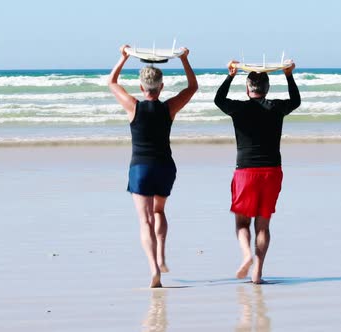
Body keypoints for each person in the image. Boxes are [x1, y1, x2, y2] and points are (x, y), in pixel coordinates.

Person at [108, 44, 198, 288]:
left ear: (141, 87)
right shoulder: (169, 107)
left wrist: (123, 57)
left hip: (140, 169)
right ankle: (162, 255)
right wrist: (184, 59)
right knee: (159, 212)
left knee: (144, 220)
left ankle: (153, 268)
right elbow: (193, 87)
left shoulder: (133, 106)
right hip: (165, 167)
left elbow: (112, 82)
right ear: (161, 87)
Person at [214, 60, 300, 284]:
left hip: (245, 172)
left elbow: (218, 100)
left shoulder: (239, 108)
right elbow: (296, 101)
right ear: (267, 89)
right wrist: (289, 75)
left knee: (242, 223)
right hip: (271, 171)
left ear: (247, 89)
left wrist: (230, 75)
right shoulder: (276, 107)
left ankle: (245, 255)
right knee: (263, 225)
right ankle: (258, 272)